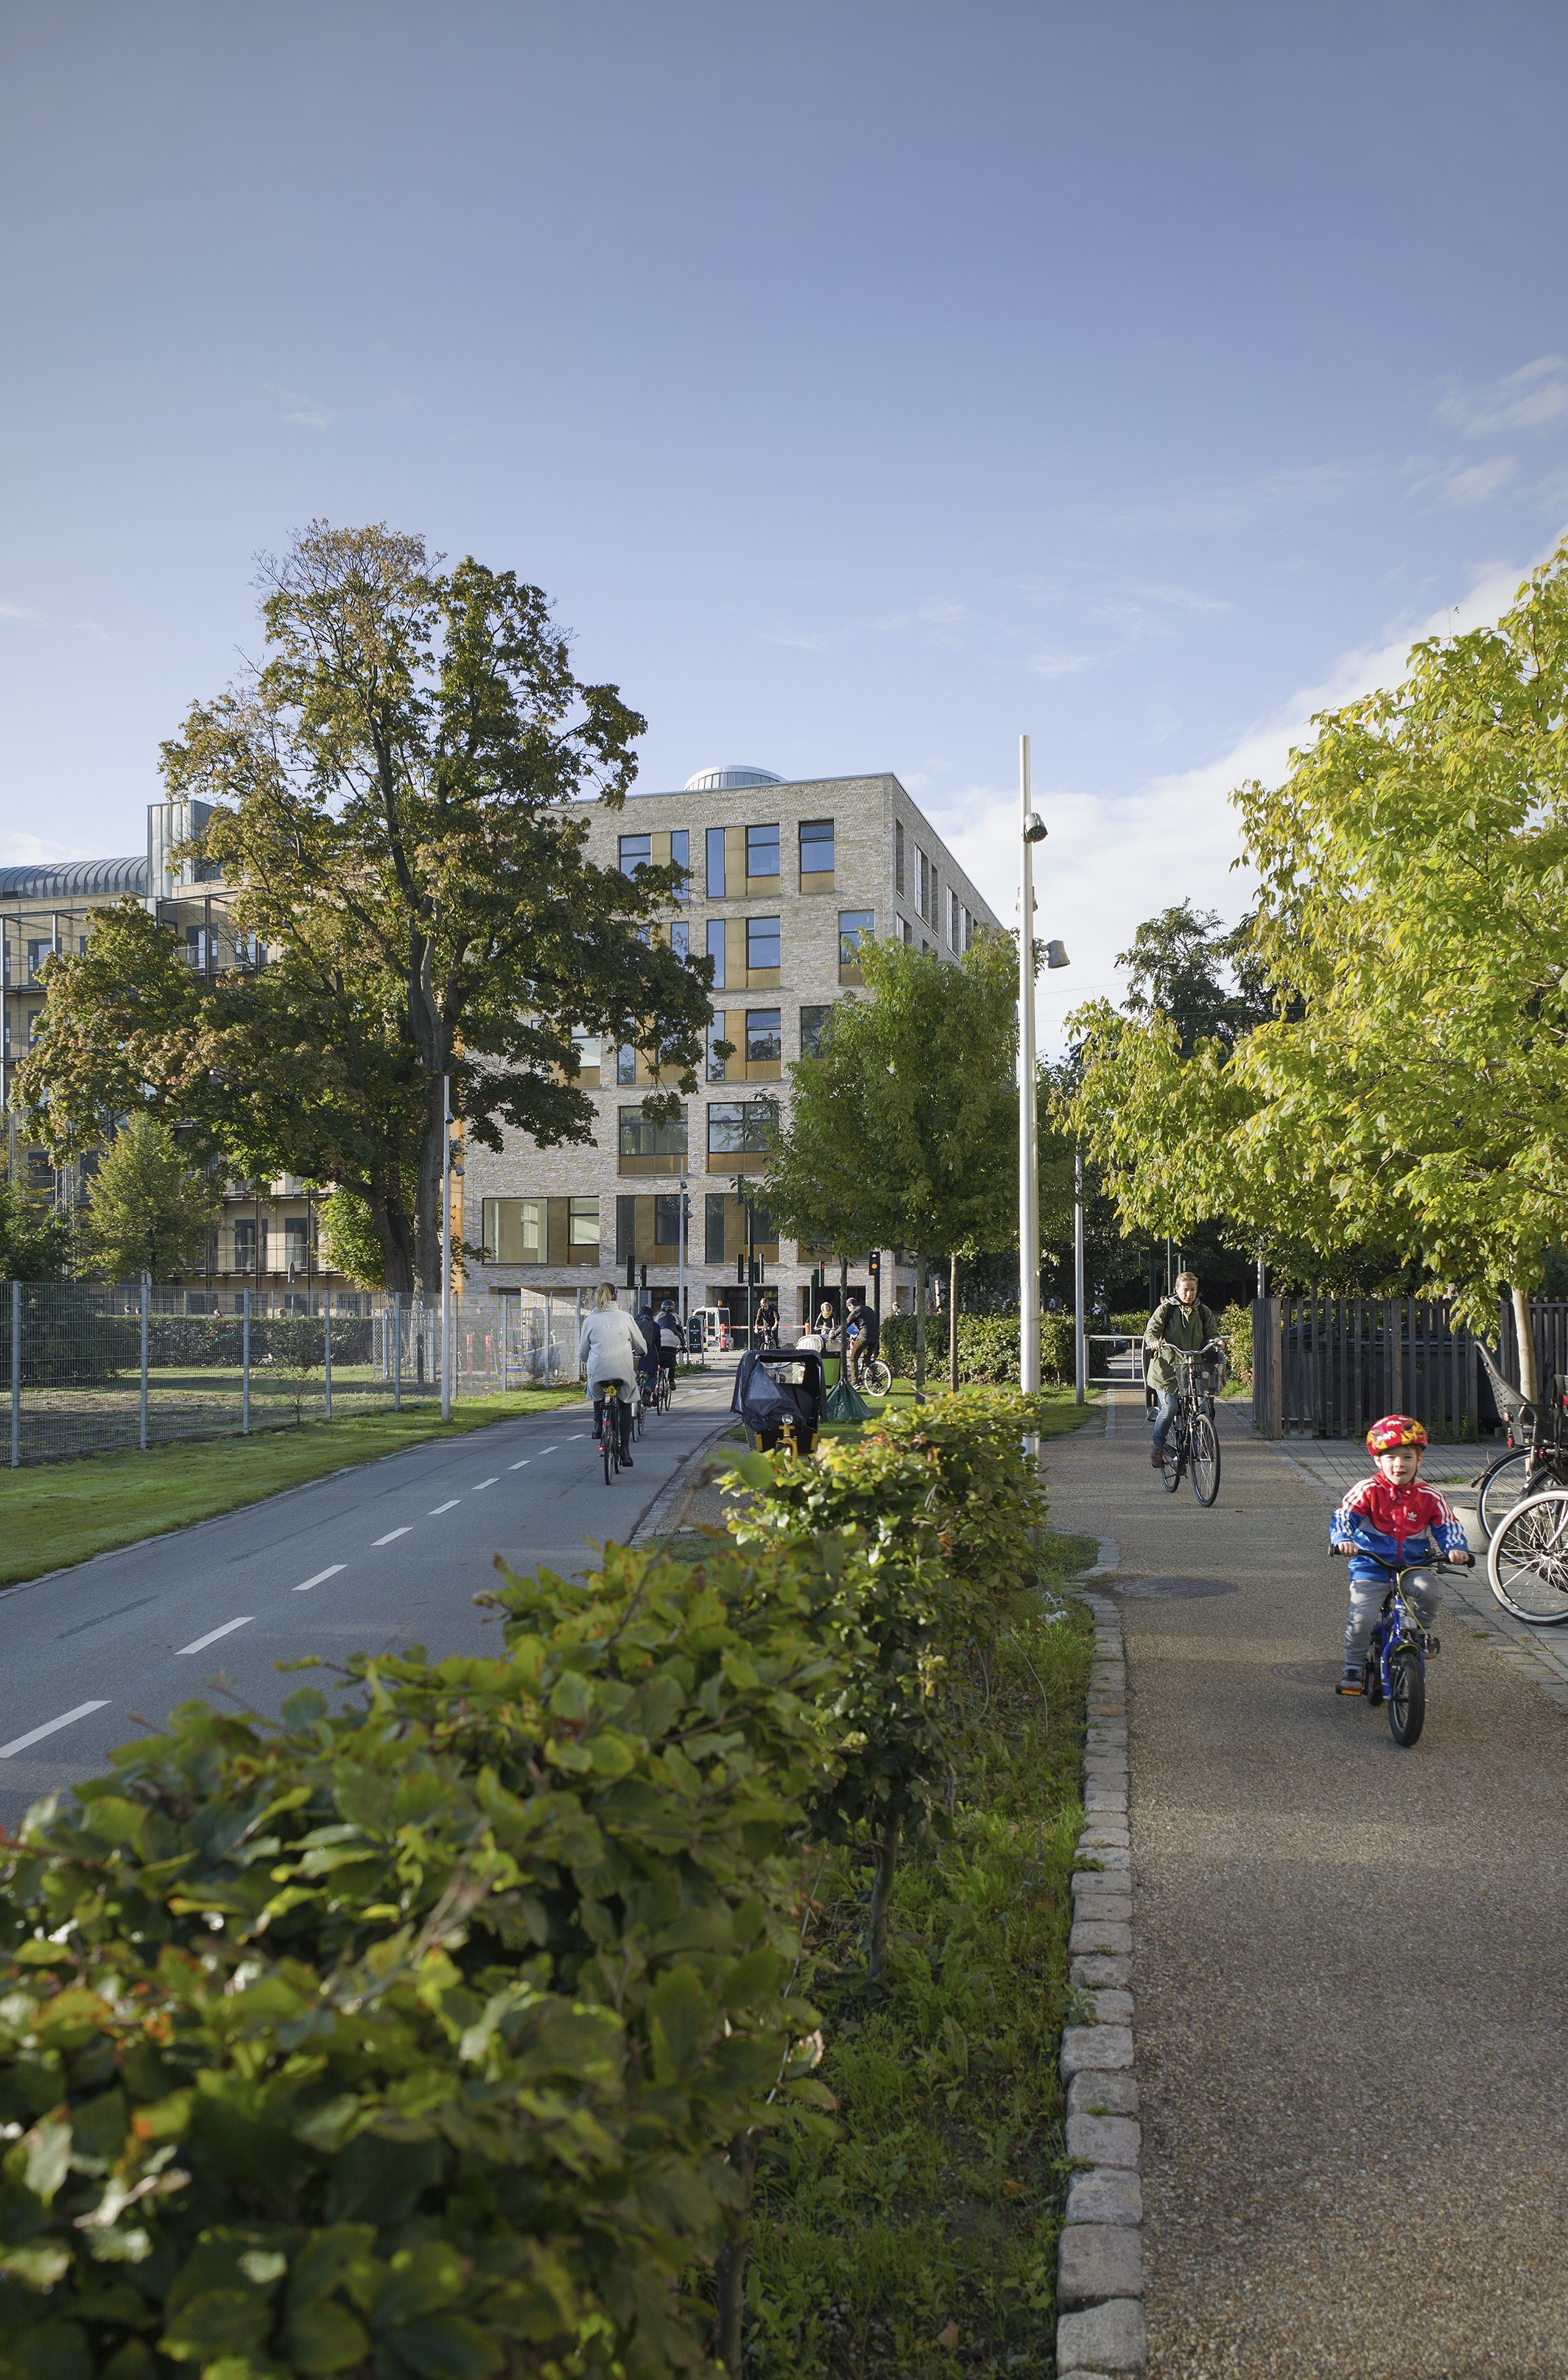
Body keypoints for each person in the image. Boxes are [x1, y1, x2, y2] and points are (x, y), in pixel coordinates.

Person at [1330, 1415, 1469, 1694]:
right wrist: (1343, 1539)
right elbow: (1344, 1516)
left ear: (1419, 1460)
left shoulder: (1429, 1495)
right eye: (1391, 1457)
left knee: (1429, 1592)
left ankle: (1420, 1633)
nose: (1399, 1464)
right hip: (1372, 1565)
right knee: (1361, 1619)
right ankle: (1353, 1668)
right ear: (1378, 1461)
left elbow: (1448, 1524)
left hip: (1413, 1565)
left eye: (1407, 1457)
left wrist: (1455, 1548)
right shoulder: (1368, 1490)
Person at [1143, 1272, 1225, 1469]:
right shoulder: (1166, 1310)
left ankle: (1203, 1443)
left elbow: (1212, 1333)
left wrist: (1217, 1341)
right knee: (1170, 1407)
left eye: (1193, 1290)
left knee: (1203, 1406)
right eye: (1185, 1290)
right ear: (1177, 1290)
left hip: (1193, 1366)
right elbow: (1151, 1330)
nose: (1189, 1294)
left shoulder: (1203, 1311)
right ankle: (1158, 1447)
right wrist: (1153, 1342)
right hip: (1167, 1368)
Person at [577, 1283, 646, 1465]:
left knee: (597, 1389)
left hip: (598, 1371)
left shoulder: (590, 1321)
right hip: (622, 1371)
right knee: (625, 1404)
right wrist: (642, 1352)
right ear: (615, 1296)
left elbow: (583, 1353)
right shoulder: (626, 1318)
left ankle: (598, 1425)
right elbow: (640, 1345)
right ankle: (625, 1449)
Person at [843, 1290, 879, 1386]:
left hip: (864, 1337)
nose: (848, 1309)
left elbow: (846, 1324)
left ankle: (855, 1382)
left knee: (853, 1358)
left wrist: (834, 1334)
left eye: (848, 1307)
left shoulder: (856, 1311)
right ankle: (875, 1380)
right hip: (875, 1337)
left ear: (851, 1305)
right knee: (868, 1360)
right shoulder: (868, 1309)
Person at [655, 1299, 683, 1396]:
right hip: (673, 1340)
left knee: (657, 1359)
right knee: (672, 1358)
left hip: (659, 1340)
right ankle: (671, 1379)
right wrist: (683, 1346)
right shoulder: (677, 1318)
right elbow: (681, 1333)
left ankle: (655, 1385)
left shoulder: (657, 1317)